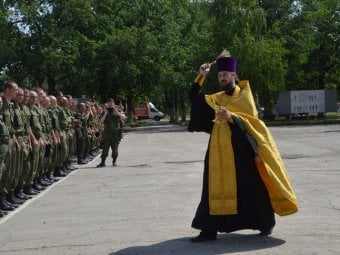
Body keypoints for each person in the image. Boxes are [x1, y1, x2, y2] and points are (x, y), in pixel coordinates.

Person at [188, 50, 298, 242]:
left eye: (225, 75)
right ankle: (208, 230)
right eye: (220, 75)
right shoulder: (217, 98)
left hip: (241, 151)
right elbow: (195, 99)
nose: (222, 78)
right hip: (217, 152)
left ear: (234, 75)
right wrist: (201, 77)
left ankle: (265, 223)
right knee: (212, 189)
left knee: (252, 189)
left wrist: (232, 117)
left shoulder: (244, 96)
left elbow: (252, 123)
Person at [97, 99, 126, 167]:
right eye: (109, 103)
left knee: (115, 148)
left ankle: (114, 161)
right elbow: (100, 121)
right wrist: (105, 113)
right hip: (106, 134)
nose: (110, 105)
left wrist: (117, 111)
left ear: (113, 103)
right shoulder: (104, 112)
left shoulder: (117, 111)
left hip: (115, 134)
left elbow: (124, 118)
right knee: (105, 149)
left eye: (111, 103)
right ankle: (102, 162)